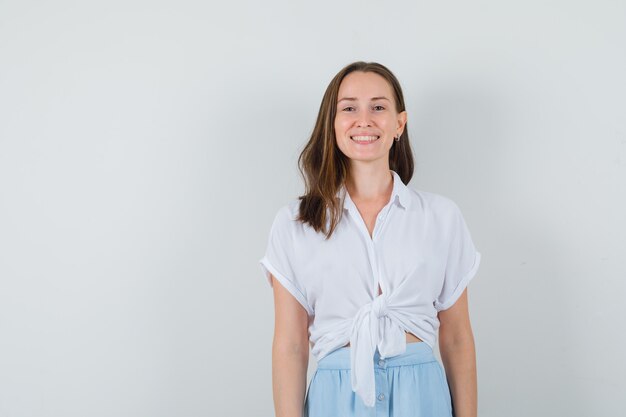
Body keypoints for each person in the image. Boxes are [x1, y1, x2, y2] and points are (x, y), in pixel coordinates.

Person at [259, 61, 481, 417]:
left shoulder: (441, 217)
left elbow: (456, 337)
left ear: (399, 124)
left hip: (421, 396)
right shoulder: (294, 223)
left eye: (378, 107)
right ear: (331, 125)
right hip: (336, 396)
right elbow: (291, 346)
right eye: (349, 108)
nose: (364, 120)